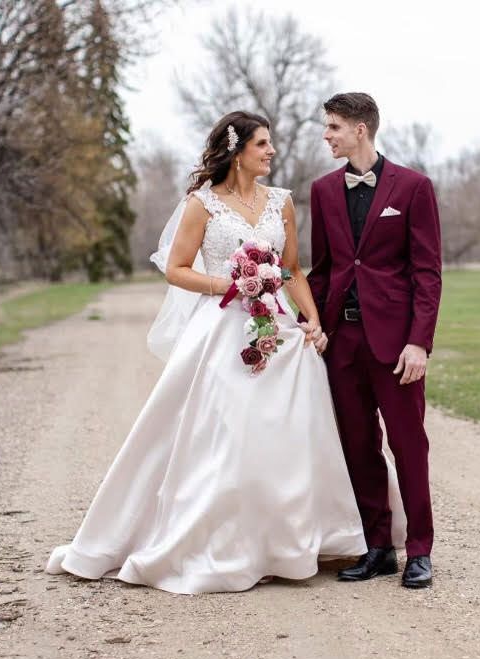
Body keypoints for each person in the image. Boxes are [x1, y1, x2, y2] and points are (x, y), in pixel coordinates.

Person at [46, 111, 404, 595]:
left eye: (270, 143)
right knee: (231, 432)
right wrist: (229, 284)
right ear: (237, 152)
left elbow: (295, 269)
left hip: (277, 326)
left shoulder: (282, 203)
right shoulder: (203, 205)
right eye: (262, 144)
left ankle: (293, 540)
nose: (271, 151)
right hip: (222, 327)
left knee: (291, 434)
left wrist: (313, 321)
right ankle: (229, 543)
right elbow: (176, 268)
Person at [308, 93, 442, 589]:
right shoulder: (322, 191)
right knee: (358, 445)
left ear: (361, 129)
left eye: (334, 126)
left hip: (396, 346)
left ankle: (421, 550)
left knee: (410, 446)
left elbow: (428, 273)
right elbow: (323, 271)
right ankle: (378, 547)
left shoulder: (413, 188)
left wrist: (419, 343)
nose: (327, 135)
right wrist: (315, 326)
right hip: (342, 341)